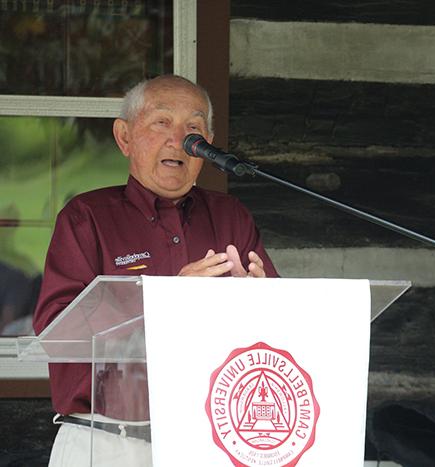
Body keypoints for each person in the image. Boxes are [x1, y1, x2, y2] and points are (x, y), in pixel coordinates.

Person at [33, 75, 278, 466]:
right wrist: (165, 298)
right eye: (161, 122)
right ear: (124, 137)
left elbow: (279, 337)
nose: (180, 139)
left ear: (208, 144)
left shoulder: (231, 217)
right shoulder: (87, 217)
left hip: (211, 441)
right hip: (108, 440)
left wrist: (263, 304)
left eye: (194, 128)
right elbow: (56, 332)